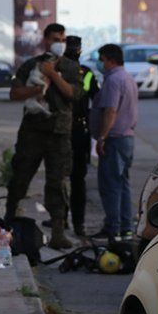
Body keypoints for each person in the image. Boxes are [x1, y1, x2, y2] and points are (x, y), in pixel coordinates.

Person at [5, 23, 81, 249]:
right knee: (20, 177)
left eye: (62, 39)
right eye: (55, 38)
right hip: (32, 132)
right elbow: (15, 93)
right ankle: (9, 224)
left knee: (57, 183)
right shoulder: (30, 65)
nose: (59, 42)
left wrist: (52, 75)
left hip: (59, 134)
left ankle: (58, 231)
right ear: (45, 40)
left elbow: (73, 94)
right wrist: (38, 89)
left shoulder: (70, 66)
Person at [89, 44, 138, 241]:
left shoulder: (113, 80)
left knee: (110, 185)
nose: (100, 64)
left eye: (101, 60)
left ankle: (113, 227)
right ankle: (125, 226)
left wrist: (101, 137)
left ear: (110, 60)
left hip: (115, 139)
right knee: (122, 184)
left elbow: (110, 111)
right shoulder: (127, 78)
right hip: (126, 138)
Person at [65, 35, 98, 236]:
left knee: (73, 179)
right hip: (72, 130)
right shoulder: (83, 72)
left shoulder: (82, 72)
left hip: (75, 130)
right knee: (72, 179)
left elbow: (95, 98)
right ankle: (69, 223)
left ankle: (75, 223)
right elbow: (96, 98)